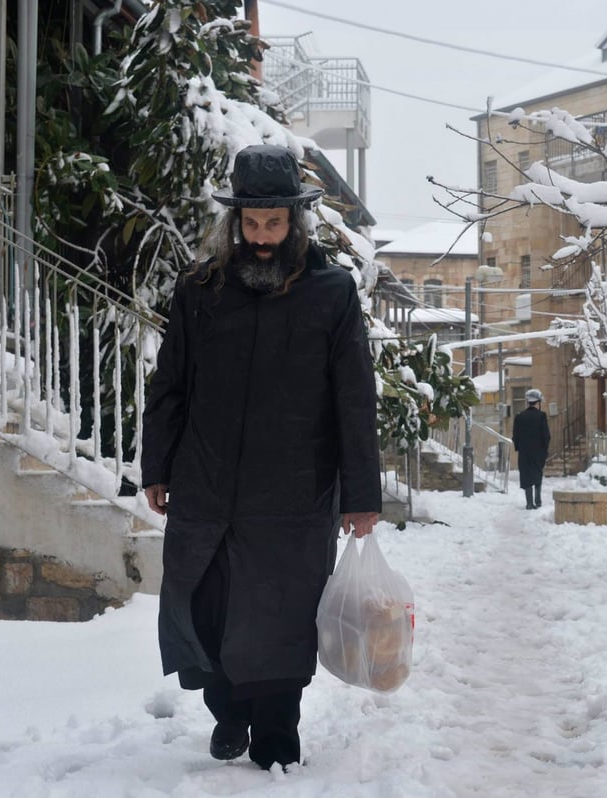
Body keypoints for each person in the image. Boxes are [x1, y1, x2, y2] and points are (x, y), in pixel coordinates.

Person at [140, 145, 381, 771]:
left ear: (294, 223)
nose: (263, 237)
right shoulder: (200, 291)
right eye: (252, 224)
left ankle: (276, 732)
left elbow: (355, 400)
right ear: (236, 223)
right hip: (208, 487)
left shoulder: (331, 294)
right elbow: (170, 384)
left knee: (282, 618)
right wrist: (157, 467)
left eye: (274, 224)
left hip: (295, 496)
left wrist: (361, 497)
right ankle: (227, 713)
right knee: (207, 610)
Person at [512, 388, 550, 509]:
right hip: (538, 452)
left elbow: (515, 436)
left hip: (524, 453)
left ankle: (529, 503)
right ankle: (538, 501)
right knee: (537, 474)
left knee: (526, 475)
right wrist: (544, 449)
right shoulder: (541, 416)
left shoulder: (519, 417)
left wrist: (519, 447)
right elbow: (546, 435)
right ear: (538, 402)